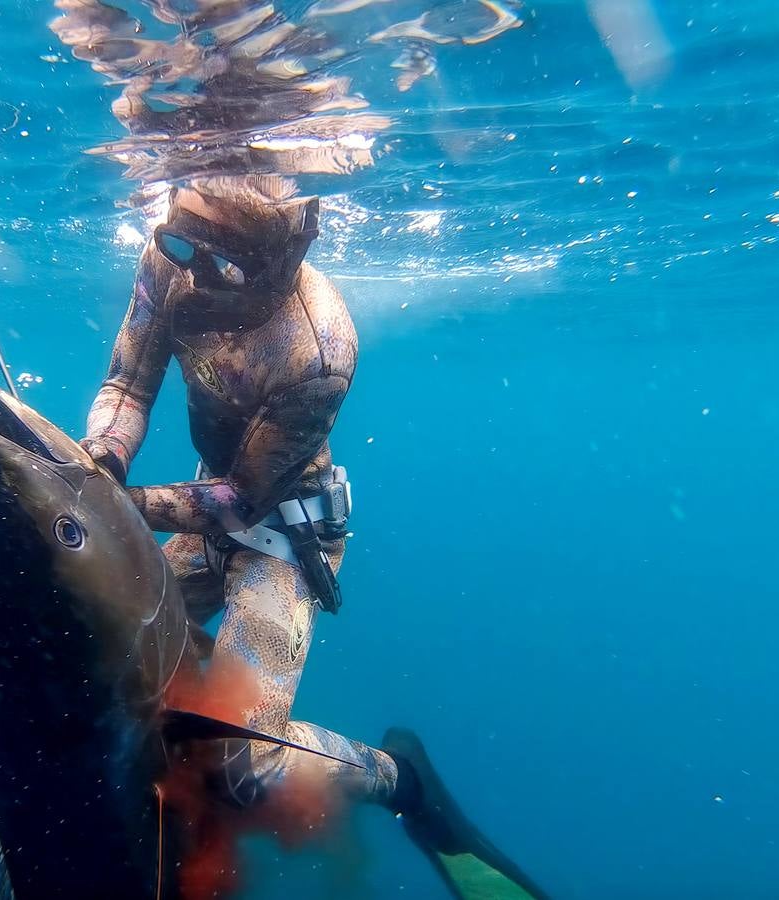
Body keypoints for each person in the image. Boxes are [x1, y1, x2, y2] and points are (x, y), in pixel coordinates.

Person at [82, 176, 548, 899]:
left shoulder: (318, 347)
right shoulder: (170, 261)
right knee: (94, 638)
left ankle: (398, 780)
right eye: (181, 247)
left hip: (284, 542)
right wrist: (101, 460)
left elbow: (241, 497)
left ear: (274, 264)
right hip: (202, 514)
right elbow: (128, 382)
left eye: (222, 266)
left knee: (241, 768)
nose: (195, 276)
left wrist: (117, 504)